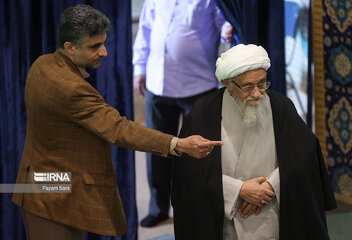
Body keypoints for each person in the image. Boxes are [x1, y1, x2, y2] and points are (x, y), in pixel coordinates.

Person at [12, 4, 222, 240]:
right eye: (95, 46)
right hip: (52, 193)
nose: (104, 52)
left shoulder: (42, 64)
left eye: (103, 43)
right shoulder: (72, 89)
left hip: (36, 182)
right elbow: (119, 129)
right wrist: (178, 144)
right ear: (70, 48)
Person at [171, 44, 337, 240]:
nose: (257, 93)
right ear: (228, 83)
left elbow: (305, 158)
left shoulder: (281, 106)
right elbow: (189, 175)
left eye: (262, 83)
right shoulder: (203, 112)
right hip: (226, 222)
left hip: (272, 216)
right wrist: (239, 191)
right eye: (248, 86)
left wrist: (271, 186)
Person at [132, 0, 232, 227]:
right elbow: (145, 30)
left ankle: (200, 209)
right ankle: (158, 208)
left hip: (198, 85)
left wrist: (228, 29)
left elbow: (226, 20)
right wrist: (139, 69)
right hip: (158, 84)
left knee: (200, 152)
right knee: (156, 149)